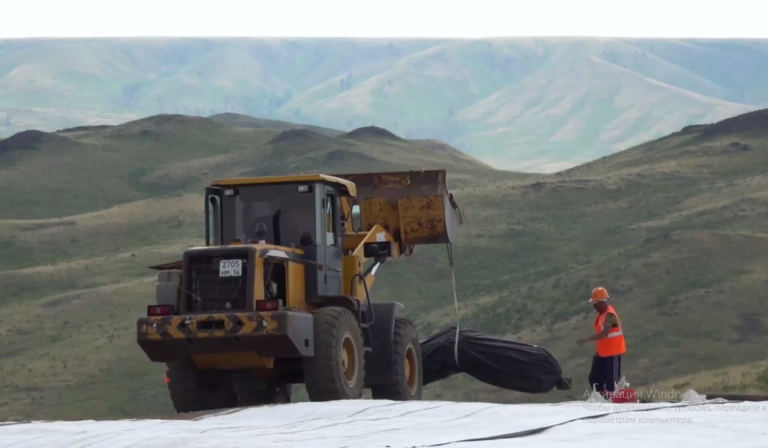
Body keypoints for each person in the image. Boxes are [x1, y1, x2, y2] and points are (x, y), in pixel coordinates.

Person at [576, 287, 626, 397]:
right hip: (604, 353)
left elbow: (605, 334)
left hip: (613, 353)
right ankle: (603, 398)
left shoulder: (610, 315)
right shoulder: (602, 315)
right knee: (594, 378)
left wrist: (586, 339)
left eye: (595, 304)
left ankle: (612, 401)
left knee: (611, 383)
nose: (594, 307)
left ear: (602, 302)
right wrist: (599, 351)